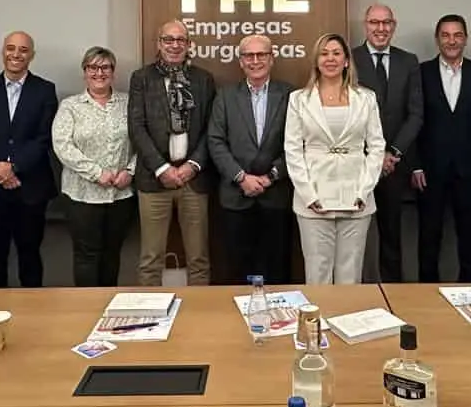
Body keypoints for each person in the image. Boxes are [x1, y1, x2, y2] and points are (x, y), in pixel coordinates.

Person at [284, 34, 385, 285]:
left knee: (350, 274)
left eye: (336, 53)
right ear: (316, 61)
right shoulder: (299, 99)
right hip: (314, 199)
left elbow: (376, 147)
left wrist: (364, 191)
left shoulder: (366, 98)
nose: (330, 59)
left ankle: (347, 313)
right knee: (317, 273)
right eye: (324, 53)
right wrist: (309, 195)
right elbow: (293, 150)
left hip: (356, 198)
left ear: (347, 61)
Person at [129, 20, 216, 286]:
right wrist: (162, 168)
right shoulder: (142, 78)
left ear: (189, 45)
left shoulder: (203, 79)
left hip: (194, 179)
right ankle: (150, 312)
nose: (175, 45)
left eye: (181, 40)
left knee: (199, 259)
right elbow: (136, 127)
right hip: (154, 179)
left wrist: (193, 165)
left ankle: (200, 311)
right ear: (159, 43)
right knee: (150, 260)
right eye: (169, 39)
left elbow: (212, 128)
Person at [0, 31, 58, 288]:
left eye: (23, 50)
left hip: (29, 188)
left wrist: (14, 166)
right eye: (11, 48)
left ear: (32, 55)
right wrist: (0, 170)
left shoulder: (45, 90)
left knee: (30, 259)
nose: (16, 54)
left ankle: (33, 311)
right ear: (3, 52)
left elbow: (44, 138)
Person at [410, 14, 471, 284]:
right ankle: (426, 293)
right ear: (437, 39)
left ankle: (470, 290)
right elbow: (412, 120)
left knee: (469, 235)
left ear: (466, 39)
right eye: (445, 35)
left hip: (470, 168)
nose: (452, 41)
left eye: (457, 35)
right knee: (429, 236)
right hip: (429, 169)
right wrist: (415, 165)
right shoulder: (420, 72)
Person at [206, 34, 293, 284]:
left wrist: (271, 176)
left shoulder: (290, 95)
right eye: (249, 56)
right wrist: (241, 177)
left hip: (276, 195)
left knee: (277, 270)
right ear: (241, 62)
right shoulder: (225, 96)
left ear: (272, 58)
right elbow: (215, 140)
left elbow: (297, 143)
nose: (255, 61)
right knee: (237, 271)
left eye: (261, 54)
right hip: (236, 196)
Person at [52, 47, 136, 287]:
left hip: (120, 194)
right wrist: (97, 173)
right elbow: (62, 146)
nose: (99, 73)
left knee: (112, 254)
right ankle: (87, 306)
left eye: (105, 67)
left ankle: (109, 304)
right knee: (86, 256)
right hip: (82, 196)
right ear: (85, 72)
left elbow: (143, 140)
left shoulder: (128, 103)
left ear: (113, 72)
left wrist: (131, 171)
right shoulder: (70, 106)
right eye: (93, 67)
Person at [350, 3, 423, 282]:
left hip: (394, 165)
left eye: (386, 23)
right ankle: (355, 293)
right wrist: (373, 155)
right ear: (365, 25)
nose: (380, 28)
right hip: (358, 163)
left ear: (394, 26)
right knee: (354, 239)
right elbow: (346, 112)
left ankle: (393, 294)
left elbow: (416, 113)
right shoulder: (350, 58)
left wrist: (392, 153)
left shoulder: (409, 61)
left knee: (392, 236)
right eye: (374, 22)